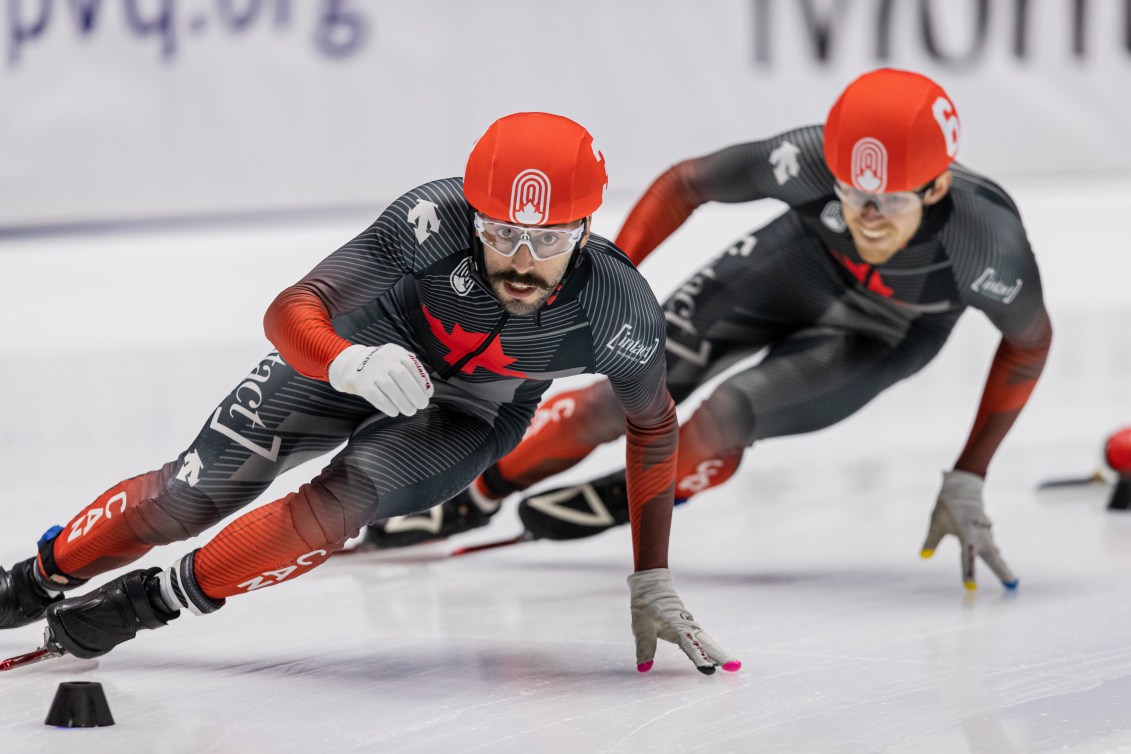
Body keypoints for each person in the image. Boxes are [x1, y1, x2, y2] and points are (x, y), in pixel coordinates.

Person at [0, 112, 738, 675]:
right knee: (187, 497)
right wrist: (345, 359)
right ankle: (32, 581)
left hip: (472, 409)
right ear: (469, 213)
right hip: (363, 344)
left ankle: (149, 603)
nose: (519, 262)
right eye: (499, 232)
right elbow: (293, 306)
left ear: (585, 231)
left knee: (337, 505)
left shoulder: (619, 310)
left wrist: (651, 576)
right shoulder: (429, 219)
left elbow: (653, 428)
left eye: (547, 241)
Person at [368, 69, 1053, 592]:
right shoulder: (807, 158)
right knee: (620, 393)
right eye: (851, 194)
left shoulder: (985, 242)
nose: (868, 217)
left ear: (936, 189)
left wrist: (969, 473)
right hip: (795, 265)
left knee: (728, 413)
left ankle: (666, 481)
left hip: (890, 327)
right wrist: (613, 276)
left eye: (890, 201)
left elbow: (1028, 343)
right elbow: (684, 183)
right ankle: (483, 491)